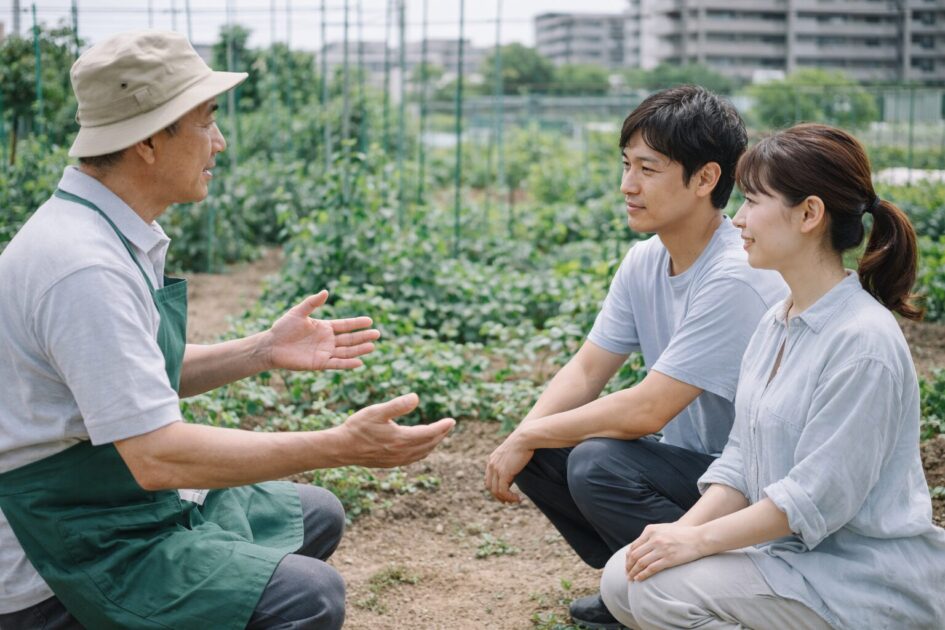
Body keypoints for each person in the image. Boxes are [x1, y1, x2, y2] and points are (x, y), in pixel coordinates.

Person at [0, 31, 454, 630]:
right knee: (310, 597)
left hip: (110, 497)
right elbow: (157, 456)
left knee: (314, 515)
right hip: (69, 549)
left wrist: (263, 349)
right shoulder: (83, 266)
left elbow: (124, 378)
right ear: (149, 140)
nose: (220, 140)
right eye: (206, 120)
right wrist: (339, 446)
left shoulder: (100, 230)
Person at [599, 123, 945, 629]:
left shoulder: (862, 343)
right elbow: (740, 460)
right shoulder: (775, 321)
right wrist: (677, 536)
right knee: (621, 580)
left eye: (753, 201)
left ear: (809, 214)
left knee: (656, 593)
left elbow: (812, 497)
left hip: (859, 580)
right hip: (789, 561)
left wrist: (695, 542)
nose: (738, 220)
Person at [484, 86, 786, 628]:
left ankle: (696, 582)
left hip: (748, 490)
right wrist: (523, 436)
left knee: (597, 463)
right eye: (626, 165)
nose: (628, 186)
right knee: (545, 449)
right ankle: (633, 579)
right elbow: (587, 368)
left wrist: (528, 434)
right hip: (694, 469)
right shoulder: (646, 261)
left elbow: (650, 410)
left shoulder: (734, 274)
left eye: (648, 169)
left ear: (705, 179)